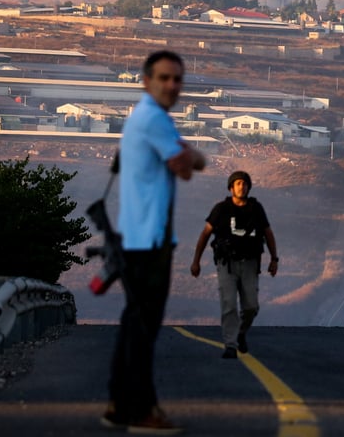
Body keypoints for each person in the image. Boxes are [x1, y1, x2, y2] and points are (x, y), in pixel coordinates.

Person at [103, 50, 206, 435]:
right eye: (163, 78)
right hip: (150, 241)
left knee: (133, 324)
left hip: (137, 236)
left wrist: (190, 159)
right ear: (147, 81)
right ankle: (141, 410)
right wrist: (195, 155)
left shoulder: (139, 118)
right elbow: (187, 166)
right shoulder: (154, 120)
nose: (172, 86)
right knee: (144, 329)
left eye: (177, 79)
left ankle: (118, 403)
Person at [190, 170, 278, 358]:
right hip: (227, 264)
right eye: (238, 184)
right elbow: (205, 234)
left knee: (251, 306)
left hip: (250, 264)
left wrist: (274, 259)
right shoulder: (221, 209)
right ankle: (230, 345)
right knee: (229, 303)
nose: (242, 187)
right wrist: (196, 261)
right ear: (231, 187)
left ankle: (241, 333)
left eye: (244, 184)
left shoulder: (256, 209)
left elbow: (268, 233)